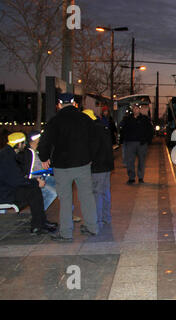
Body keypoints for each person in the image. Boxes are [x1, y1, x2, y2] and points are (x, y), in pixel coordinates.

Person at [38, 93, 99, 241]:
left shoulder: (55, 121)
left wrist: (44, 158)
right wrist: (91, 158)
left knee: (65, 199)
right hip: (82, 164)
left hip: (62, 166)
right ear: (74, 104)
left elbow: (45, 142)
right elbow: (96, 140)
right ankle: (92, 227)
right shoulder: (85, 119)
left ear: (59, 104)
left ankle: (66, 232)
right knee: (87, 196)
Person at [0, 132, 57, 234]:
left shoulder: (8, 153)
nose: (25, 145)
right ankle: (38, 225)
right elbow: (15, 180)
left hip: (6, 189)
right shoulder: (7, 157)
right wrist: (35, 182)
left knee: (34, 189)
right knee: (34, 191)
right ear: (18, 144)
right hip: (5, 193)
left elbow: (16, 178)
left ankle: (40, 223)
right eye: (23, 143)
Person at [83, 109, 114, 228]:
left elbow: (92, 149)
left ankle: (97, 220)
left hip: (97, 166)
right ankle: (106, 217)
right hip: (106, 165)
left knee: (96, 193)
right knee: (105, 192)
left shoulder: (92, 130)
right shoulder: (103, 127)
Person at [16, 130, 57, 212]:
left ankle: (68, 210)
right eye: (40, 137)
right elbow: (26, 171)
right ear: (34, 140)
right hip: (34, 180)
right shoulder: (28, 153)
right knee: (52, 193)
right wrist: (35, 181)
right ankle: (38, 213)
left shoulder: (37, 151)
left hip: (43, 177)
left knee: (62, 184)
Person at [120, 103, 153, 184]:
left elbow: (150, 130)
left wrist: (147, 140)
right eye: (134, 108)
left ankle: (141, 177)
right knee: (130, 161)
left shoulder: (145, 119)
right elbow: (123, 130)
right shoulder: (127, 119)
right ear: (132, 109)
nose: (136, 110)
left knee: (141, 161)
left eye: (137, 108)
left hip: (142, 144)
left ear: (140, 109)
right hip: (130, 143)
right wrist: (123, 140)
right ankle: (131, 177)